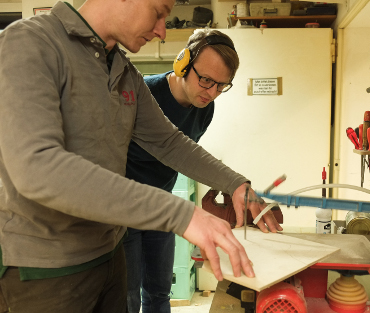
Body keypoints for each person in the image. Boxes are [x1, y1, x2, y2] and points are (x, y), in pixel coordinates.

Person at [0, 1, 282, 313]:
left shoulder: (124, 72)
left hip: (108, 253)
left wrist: (236, 184)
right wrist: (181, 213)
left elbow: (170, 143)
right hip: (46, 271)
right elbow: (38, 167)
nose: (162, 30)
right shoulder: (31, 42)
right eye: (159, 11)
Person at [124, 29, 241, 313]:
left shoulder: (205, 108)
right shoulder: (145, 94)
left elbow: (184, 157)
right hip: (123, 209)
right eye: (206, 80)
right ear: (183, 63)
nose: (211, 92)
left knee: (159, 293)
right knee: (126, 298)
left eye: (221, 86)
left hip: (162, 209)